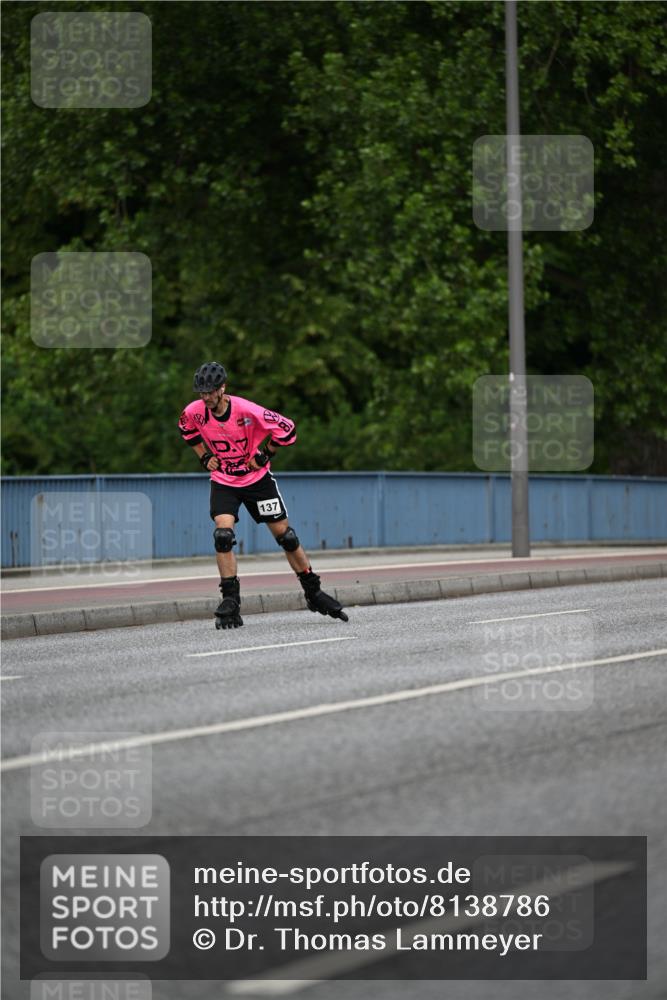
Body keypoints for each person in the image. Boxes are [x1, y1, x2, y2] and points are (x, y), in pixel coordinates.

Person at [178, 361, 348, 629]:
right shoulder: (194, 412)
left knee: (286, 537)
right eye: (202, 392)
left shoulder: (246, 410)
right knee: (223, 535)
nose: (206, 397)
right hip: (225, 480)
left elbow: (288, 429)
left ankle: (313, 591)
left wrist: (266, 453)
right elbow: (187, 432)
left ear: (223, 388)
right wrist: (205, 457)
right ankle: (230, 600)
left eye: (210, 391)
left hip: (257, 481)